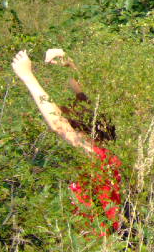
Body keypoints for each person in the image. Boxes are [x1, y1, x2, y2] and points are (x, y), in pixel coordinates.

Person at [11, 49, 122, 236]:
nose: (64, 111)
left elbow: (58, 125)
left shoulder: (95, 154)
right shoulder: (107, 149)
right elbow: (87, 101)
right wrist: (68, 65)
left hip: (97, 241)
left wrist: (27, 76)